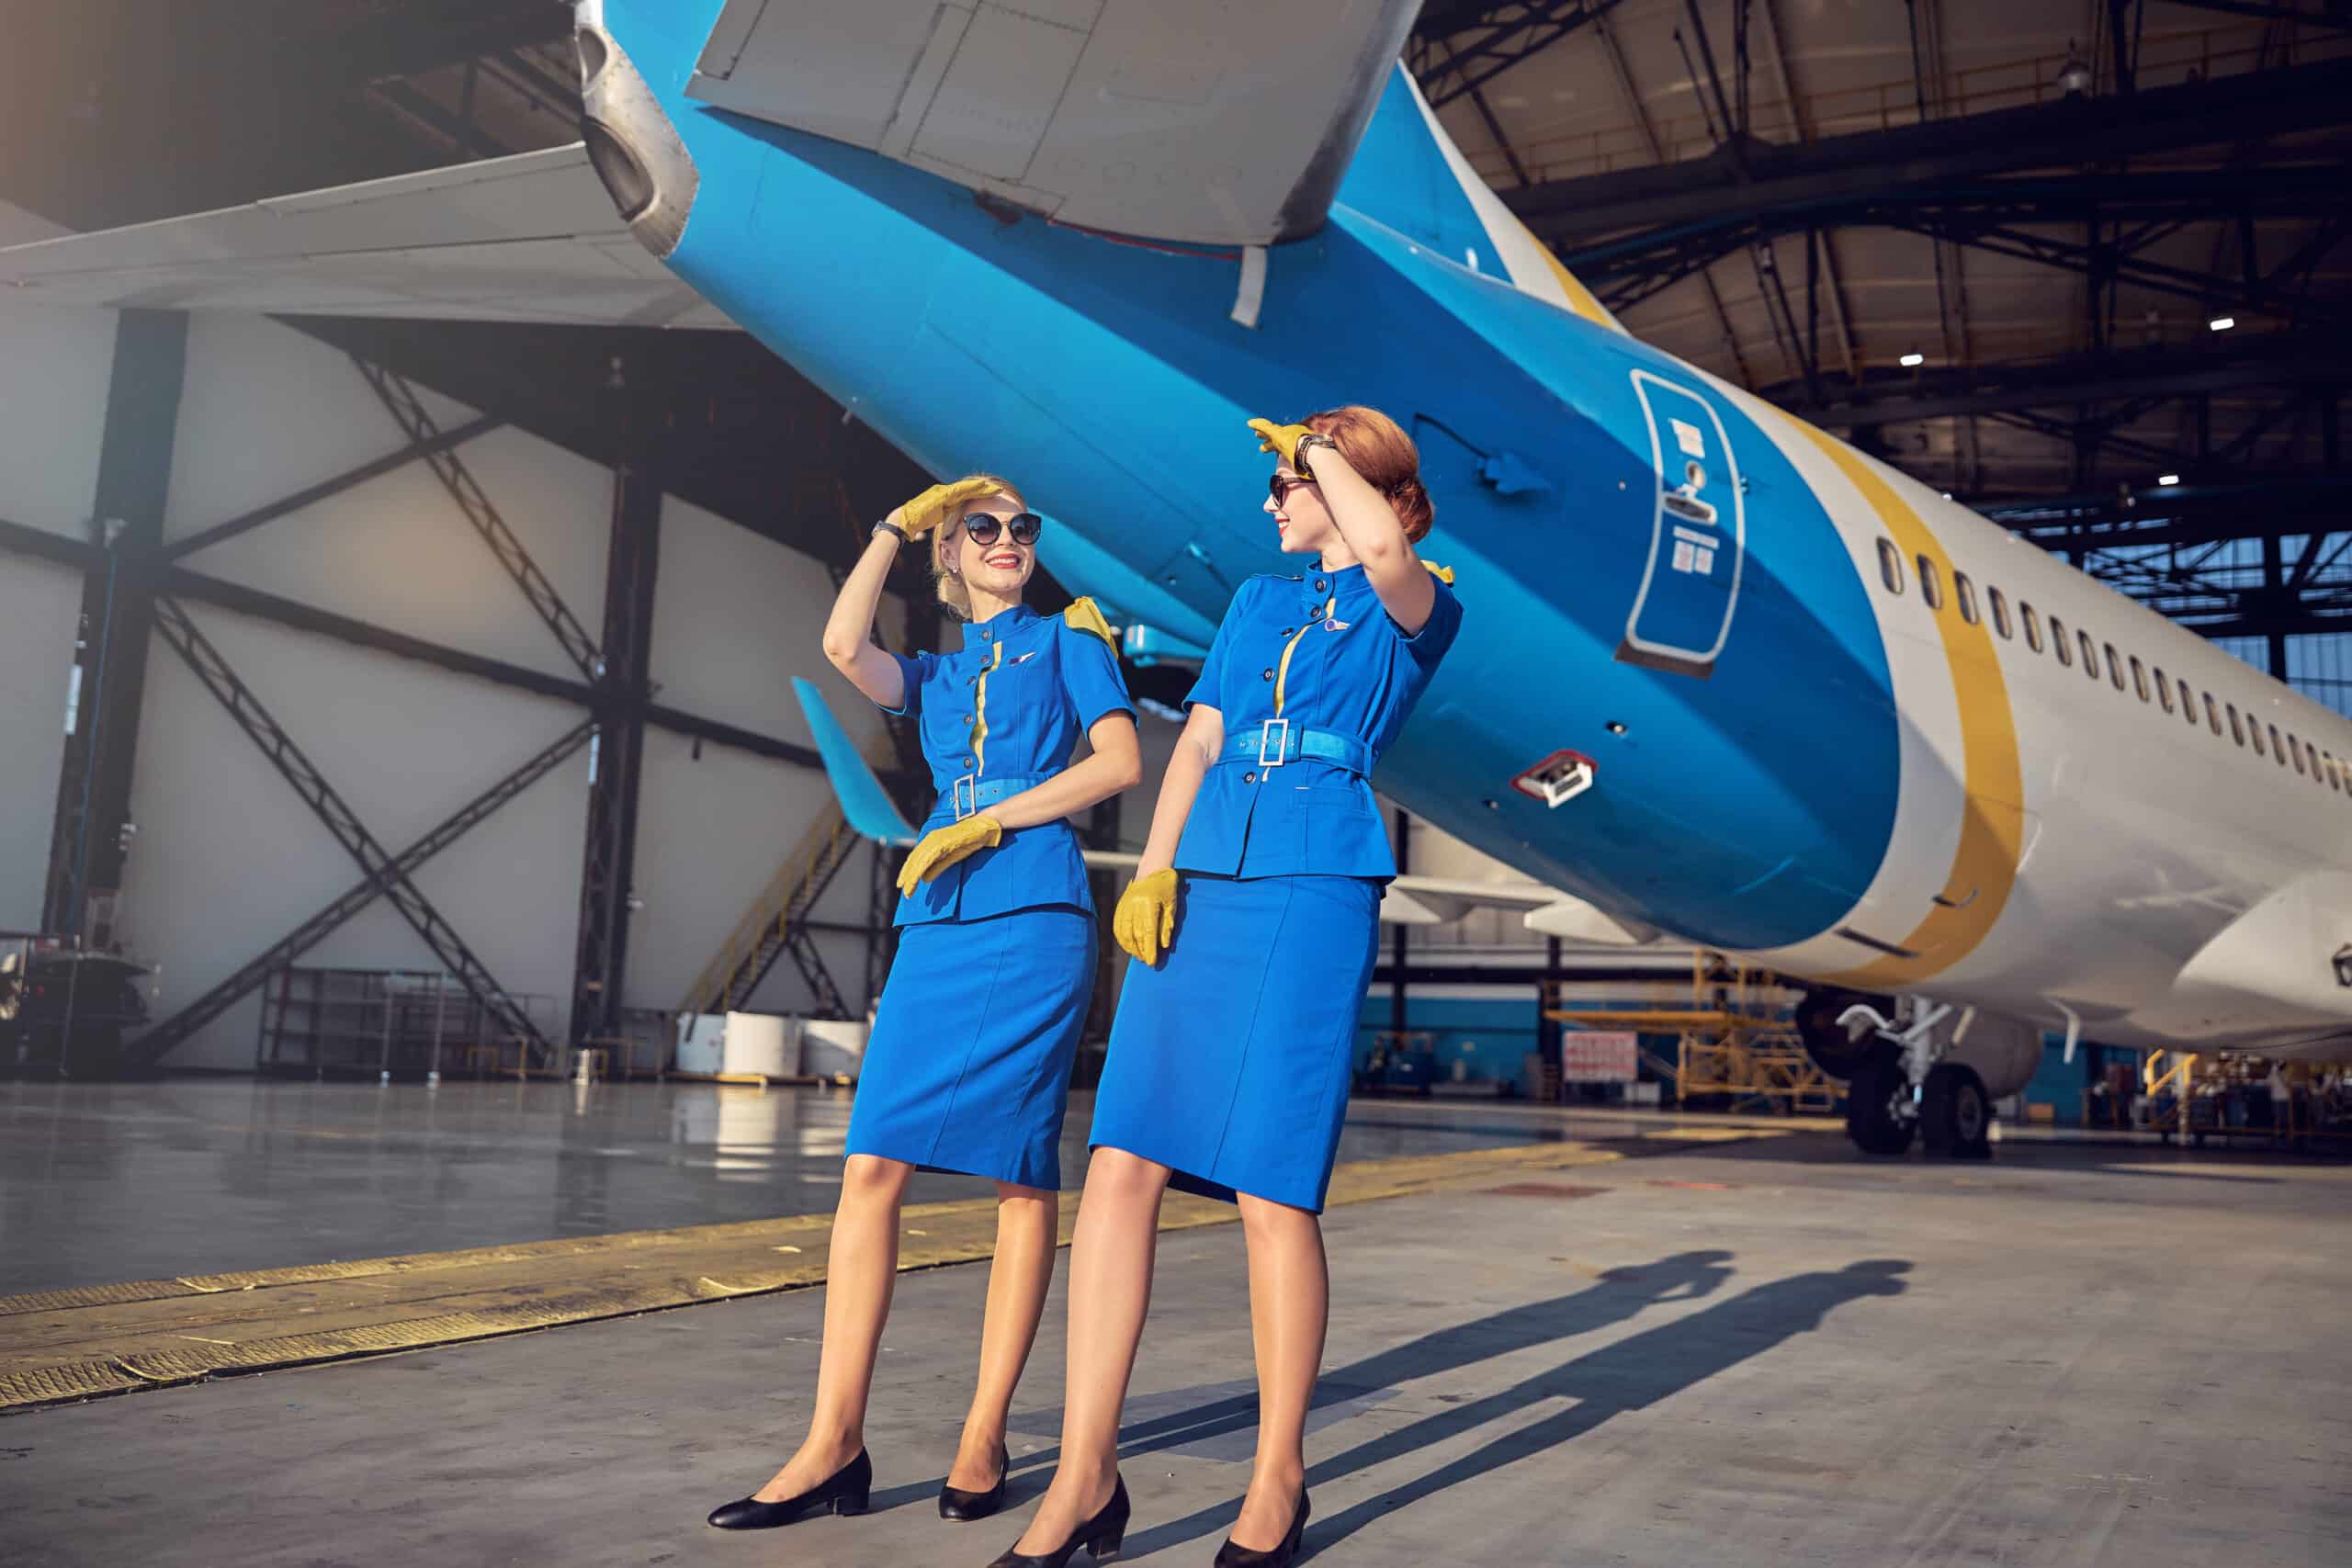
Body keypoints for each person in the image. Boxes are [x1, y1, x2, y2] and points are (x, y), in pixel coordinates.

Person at [991, 409, 1463, 1568]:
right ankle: (1086, 1475)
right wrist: (1151, 875)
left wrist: (1323, 457)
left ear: (1355, 481)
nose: (1271, 501)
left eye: (1286, 482)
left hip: (1312, 885)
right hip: (1202, 884)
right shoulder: (1256, 604)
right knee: (1118, 1162)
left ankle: (1277, 1476)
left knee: (1269, 1190)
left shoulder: (1418, 601)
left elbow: (1387, 556)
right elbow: (1196, 745)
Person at [707, 475, 1142, 1532]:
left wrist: (993, 822)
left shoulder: (1070, 641)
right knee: (870, 1167)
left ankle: (985, 1431)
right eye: (981, 528)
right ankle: (832, 1443)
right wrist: (890, 527)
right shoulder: (937, 673)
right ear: (947, 557)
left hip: (1035, 910)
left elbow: (1118, 761)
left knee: (1016, 1179)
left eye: (1022, 527)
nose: (1007, 539)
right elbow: (842, 643)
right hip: (938, 922)